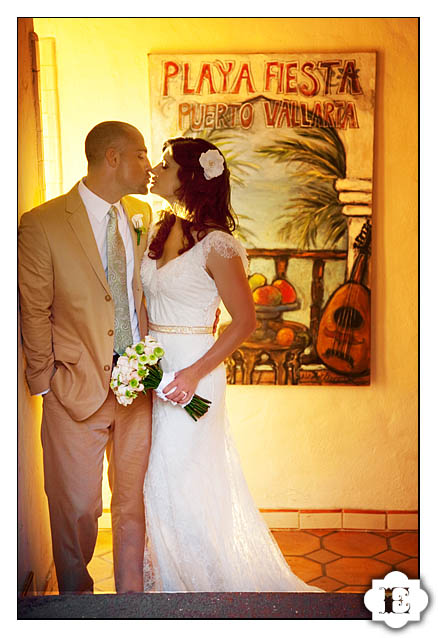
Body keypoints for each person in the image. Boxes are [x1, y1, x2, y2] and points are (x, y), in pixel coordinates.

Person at [140, 137, 322, 592]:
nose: (154, 170)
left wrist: (192, 374)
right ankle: (168, 587)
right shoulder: (156, 229)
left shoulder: (218, 245)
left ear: (191, 177)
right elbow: (143, 302)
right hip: (152, 371)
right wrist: (140, 360)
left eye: (164, 164)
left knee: (183, 480)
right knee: (156, 482)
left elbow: (244, 322)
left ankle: (202, 591)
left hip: (194, 375)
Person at [18, 121, 154, 594]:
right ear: (112, 158)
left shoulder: (141, 214)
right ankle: (78, 606)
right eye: (140, 154)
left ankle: (130, 606)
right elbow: (32, 307)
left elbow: (138, 292)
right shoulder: (43, 223)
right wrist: (45, 381)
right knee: (76, 508)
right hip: (74, 387)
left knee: (133, 503)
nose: (148, 164)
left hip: (138, 387)